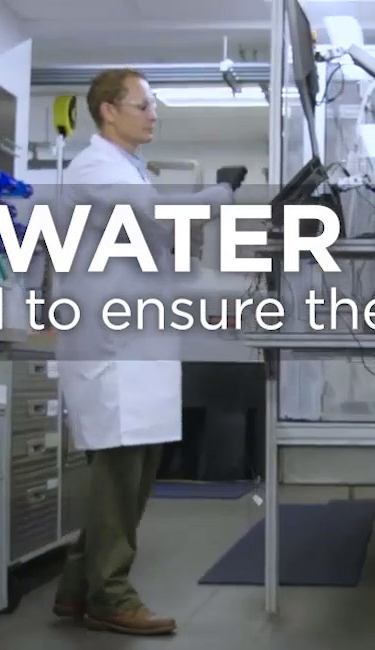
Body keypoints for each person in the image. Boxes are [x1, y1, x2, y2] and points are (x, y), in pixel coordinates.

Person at [49, 67, 247, 636]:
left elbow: (157, 266)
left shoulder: (128, 172)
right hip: (111, 350)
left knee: (133, 479)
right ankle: (111, 596)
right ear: (108, 110)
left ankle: (74, 591)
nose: (153, 114)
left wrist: (211, 304)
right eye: (143, 105)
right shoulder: (94, 169)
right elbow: (162, 221)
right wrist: (223, 193)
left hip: (140, 343)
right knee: (118, 479)